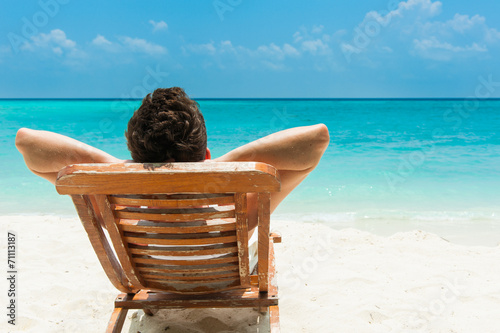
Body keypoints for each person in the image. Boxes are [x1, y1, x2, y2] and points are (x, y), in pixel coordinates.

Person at [15, 87, 329, 233]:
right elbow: (316, 138)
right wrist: (218, 166)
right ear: (206, 156)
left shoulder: (113, 200)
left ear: (137, 158)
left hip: (153, 280)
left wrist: (124, 169)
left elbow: (26, 142)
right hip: (224, 284)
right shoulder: (240, 207)